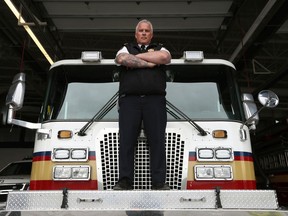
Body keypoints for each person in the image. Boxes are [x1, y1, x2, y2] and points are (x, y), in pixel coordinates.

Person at [114, 19, 171, 190]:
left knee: (157, 141)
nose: (144, 33)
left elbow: (164, 57)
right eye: (141, 30)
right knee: (126, 141)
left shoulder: (161, 47)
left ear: (151, 35)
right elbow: (121, 58)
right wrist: (150, 63)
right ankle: (124, 181)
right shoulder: (125, 47)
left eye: (147, 31)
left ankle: (159, 182)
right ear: (136, 34)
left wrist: (136, 59)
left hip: (155, 101)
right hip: (129, 101)